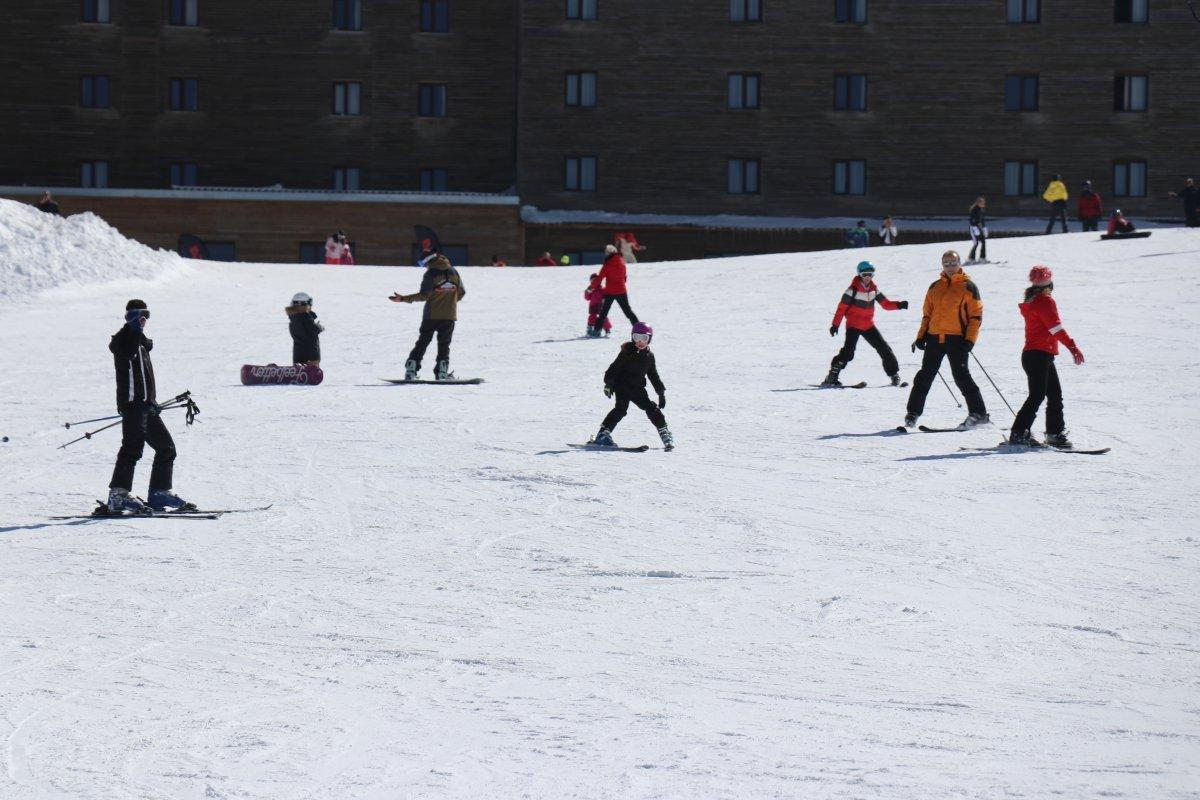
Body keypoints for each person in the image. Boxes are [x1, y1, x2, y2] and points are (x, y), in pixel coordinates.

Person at [106, 300, 194, 514]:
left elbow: (144, 378)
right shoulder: (123, 341)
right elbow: (126, 352)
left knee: (166, 448)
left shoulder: (142, 343)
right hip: (132, 406)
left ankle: (159, 492)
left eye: (146, 317)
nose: (143, 321)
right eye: (139, 317)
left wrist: (151, 401)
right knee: (132, 449)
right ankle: (118, 495)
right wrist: (134, 330)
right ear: (130, 318)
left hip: (146, 406)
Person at [903, 250, 988, 429]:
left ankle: (979, 413)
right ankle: (913, 413)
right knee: (924, 376)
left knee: (961, 376)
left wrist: (970, 340)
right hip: (934, 339)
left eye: (953, 263)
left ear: (959, 264)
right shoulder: (934, 287)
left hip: (957, 340)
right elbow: (927, 314)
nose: (950, 267)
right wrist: (921, 336)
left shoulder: (968, 287)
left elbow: (975, 317)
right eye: (946, 263)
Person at [1009, 266, 1085, 448]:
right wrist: (1073, 347)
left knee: (1054, 395)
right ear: (1049, 285)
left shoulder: (1033, 300)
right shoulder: (1044, 302)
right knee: (1038, 395)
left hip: (1036, 355)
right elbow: (1056, 329)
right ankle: (1019, 433)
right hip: (1038, 355)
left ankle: (1053, 433)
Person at [823, 260, 908, 387]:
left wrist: (899, 305)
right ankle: (832, 375)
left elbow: (885, 304)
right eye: (864, 275)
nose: (868, 277)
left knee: (884, 348)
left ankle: (894, 374)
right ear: (859, 275)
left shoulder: (874, 290)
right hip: (853, 325)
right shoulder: (852, 290)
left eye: (870, 274)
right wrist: (835, 325)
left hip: (868, 325)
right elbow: (841, 308)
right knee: (848, 352)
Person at [592, 322, 673, 450]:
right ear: (632, 337)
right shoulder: (626, 352)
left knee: (651, 408)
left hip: (637, 388)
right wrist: (609, 383)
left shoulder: (649, 357)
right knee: (620, 409)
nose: (640, 341)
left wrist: (661, 393)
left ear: (649, 339)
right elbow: (614, 368)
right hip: (622, 387)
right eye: (636, 337)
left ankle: (664, 432)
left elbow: (653, 375)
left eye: (644, 338)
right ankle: (602, 434)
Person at [389, 254, 465, 381]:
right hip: (449, 315)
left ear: (429, 261)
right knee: (444, 345)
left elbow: (424, 295)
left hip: (431, 315)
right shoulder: (454, 272)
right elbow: (461, 292)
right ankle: (441, 373)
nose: (425, 267)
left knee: (423, 342)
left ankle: (411, 370)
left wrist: (403, 299)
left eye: (423, 264)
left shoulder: (431, 273)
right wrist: (448, 301)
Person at [589, 244, 638, 336]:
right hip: (621, 291)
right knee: (628, 311)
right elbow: (624, 277)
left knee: (603, 312)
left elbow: (599, 278)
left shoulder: (607, 264)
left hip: (610, 292)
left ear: (608, 253)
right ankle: (638, 328)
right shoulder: (622, 262)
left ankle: (597, 331)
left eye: (606, 253)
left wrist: (591, 288)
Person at [287, 292, 323, 366]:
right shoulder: (305, 317)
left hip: (298, 356)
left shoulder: (293, 319)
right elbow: (313, 329)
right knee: (312, 372)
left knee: (300, 371)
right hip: (311, 356)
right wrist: (319, 327)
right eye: (309, 303)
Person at [968, 197, 988, 263]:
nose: (983, 204)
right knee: (976, 243)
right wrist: (974, 228)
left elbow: (982, 220)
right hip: (973, 228)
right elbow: (971, 220)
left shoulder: (981, 210)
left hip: (979, 228)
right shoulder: (974, 210)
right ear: (978, 203)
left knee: (983, 242)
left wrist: (984, 228)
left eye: (984, 203)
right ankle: (971, 258)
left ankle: (982, 258)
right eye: (982, 203)